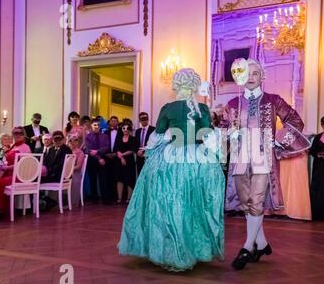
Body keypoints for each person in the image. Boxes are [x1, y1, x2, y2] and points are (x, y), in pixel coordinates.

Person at [118, 68, 225, 272]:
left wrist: (148, 153)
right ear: (193, 86)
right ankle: (195, 248)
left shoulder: (168, 108)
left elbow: (157, 136)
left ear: (176, 84)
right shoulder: (202, 108)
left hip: (171, 159)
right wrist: (219, 157)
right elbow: (209, 136)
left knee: (169, 204)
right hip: (197, 160)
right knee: (195, 204)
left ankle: (172, 249)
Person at [220, 59, 307, 270]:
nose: (250, 77)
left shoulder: (273, 100)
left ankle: (248, 247)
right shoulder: (232, 104)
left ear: (262, 77)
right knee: (245, 202)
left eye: (255, 74)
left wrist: (277, 139)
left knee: (256, 200)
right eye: (246, 74)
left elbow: (295, 121)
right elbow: (224, 128)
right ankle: (262, 243)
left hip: (263, 159)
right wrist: (229, 133)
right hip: (240, 158)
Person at [0, 127, 31, 217]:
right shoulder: (14, 146)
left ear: (24, 135)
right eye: (15, 133)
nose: (17, 135)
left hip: (18, 176)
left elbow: (23, 165)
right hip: (10, 174)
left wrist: (7, 168)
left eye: (20, 133)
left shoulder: (25, 147)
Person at [85, 118, 110, 203]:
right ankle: (94, 198)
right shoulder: (88, 137)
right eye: (95, 125)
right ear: (91, 125)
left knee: (103, 179)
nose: (97, 126)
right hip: (92, 160)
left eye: (98, 125)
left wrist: (98, 151)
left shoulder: (105, 136)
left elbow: (107, 147)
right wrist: (99, 158)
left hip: (103, 159)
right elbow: (88, 150)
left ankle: (105, 199)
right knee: (93, 179)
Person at [114, 122, 136, 204]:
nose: (125, 130)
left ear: (130, 129)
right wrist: (121, 157)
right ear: (122, 129)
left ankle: (129, 198)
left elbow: (132, 150)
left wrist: (123, 155)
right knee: (119, 179)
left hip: (129, 161)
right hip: (119, 161)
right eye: (124, 128)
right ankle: (119, 198)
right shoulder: (118, 139)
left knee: (130, 179)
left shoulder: (133, 139)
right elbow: (116, 149)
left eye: (127, 128)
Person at [67, 134, 85, 208]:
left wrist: (68, 170)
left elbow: (78, 166)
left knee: (74, 180)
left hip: (75, 173)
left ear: (78, 142)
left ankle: (73, 203)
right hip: (66, 173)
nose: (73, 143)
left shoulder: (80, 153)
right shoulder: (66, 151)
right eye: (70, 141)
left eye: (75, 141)